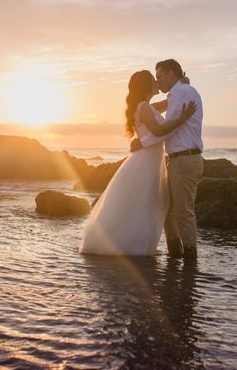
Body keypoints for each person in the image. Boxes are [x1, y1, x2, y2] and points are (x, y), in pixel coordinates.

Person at [79, 70, 196, 256]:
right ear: (146, 86)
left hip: (149, 158)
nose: (157, 82)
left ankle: (139, 243)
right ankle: (132, 245)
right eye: (153, 80)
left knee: (145, 202)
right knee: (143, 202)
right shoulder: (143, 107)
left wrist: (181, 85)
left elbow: (166, 104)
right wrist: (182, 119)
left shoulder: (146, 106)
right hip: (146, 160)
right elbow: (158, 131)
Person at [130, 59, 204, 260]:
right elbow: (158, 119)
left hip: (185, 159)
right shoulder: (177, 94)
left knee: (183, 212)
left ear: (171, 74)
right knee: (168, 210)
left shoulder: (181, 93)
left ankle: (190, 260)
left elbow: (168, 128)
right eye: (155, 78)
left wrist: (143, 141)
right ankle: (175, 253)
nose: (158, 81)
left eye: (160, 76)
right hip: (176, 159)